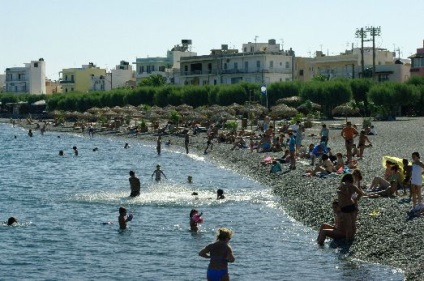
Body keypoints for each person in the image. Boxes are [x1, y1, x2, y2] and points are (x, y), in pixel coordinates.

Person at [337, 174, 364, 241]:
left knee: (348, 225)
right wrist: (356, 199)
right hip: (352, 205)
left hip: (344, 207)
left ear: (345, 180)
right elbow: (361, 193)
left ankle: (348, 240)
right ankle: (352, 237)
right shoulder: (353, 186)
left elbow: (339, 191)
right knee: (353, 223)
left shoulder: (342, 185)